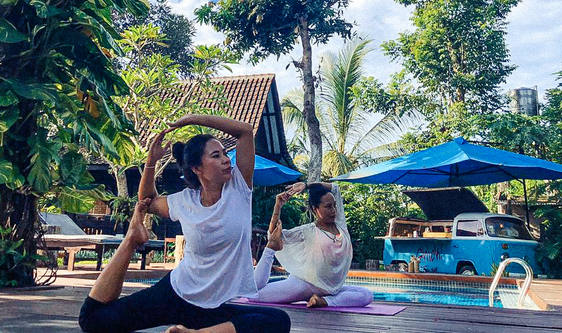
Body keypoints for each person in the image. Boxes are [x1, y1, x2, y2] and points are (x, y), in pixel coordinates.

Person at [79, 114, 291, 333]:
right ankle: (132, 239)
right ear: (196, 168)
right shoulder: (184, 201)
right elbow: (147, 200)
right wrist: (151, 160)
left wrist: (192, 120)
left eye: (225, 154)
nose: (227, 160)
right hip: (176, 293)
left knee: (279, 321)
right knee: (92, 320)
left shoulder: (239, 187)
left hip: (212, 309)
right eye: (216, 156)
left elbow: (245, 131)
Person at [252, 181, 373, 308]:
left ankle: (324, 301)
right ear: (315, 209)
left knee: (366, 295)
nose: (333, 210)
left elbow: (335, 187)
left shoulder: (340, 225)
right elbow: (274, 235)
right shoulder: (307, 231)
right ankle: (324, 300)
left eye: (334, 206)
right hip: (304, 285)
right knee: (252, 295)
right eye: (328, 206)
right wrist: (278, 206)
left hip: (330, 290)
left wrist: (306, 185)